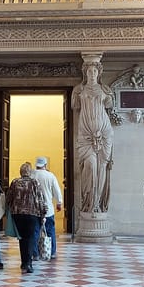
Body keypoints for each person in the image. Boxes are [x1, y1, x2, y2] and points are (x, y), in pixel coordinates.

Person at [71, 59, 114, 213]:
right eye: (89, 71)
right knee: (90, 165)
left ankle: (98, 204)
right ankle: (88, 203)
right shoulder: (79, 90)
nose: (92, 74)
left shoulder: (105, 90)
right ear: (85, 73)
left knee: (102, 168)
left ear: (99, 73)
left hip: (104, 134)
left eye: (95, 71)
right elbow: (75, 106)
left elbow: (109, 105)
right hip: (85, 135)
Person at [5, 162, 48, 274]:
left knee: (22, 239)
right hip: (31, 214)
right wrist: (44, 214)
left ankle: (24, 262)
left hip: (17, 214)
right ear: (30, 172)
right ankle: (28, 263)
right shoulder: (34, 182)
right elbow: (40, 199)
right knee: (30, 238)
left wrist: (9, 210)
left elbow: (9, 198)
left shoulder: (15, 182)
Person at [30, 156, 63, 260]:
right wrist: (59, 203)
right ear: (45, 165)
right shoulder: (50, 176)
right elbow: (57, 191)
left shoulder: (32, 175)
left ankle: (35, 254)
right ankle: (52, 252)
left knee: (35, 231)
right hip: (48, 209)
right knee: (50, 231)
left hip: (34, 209)